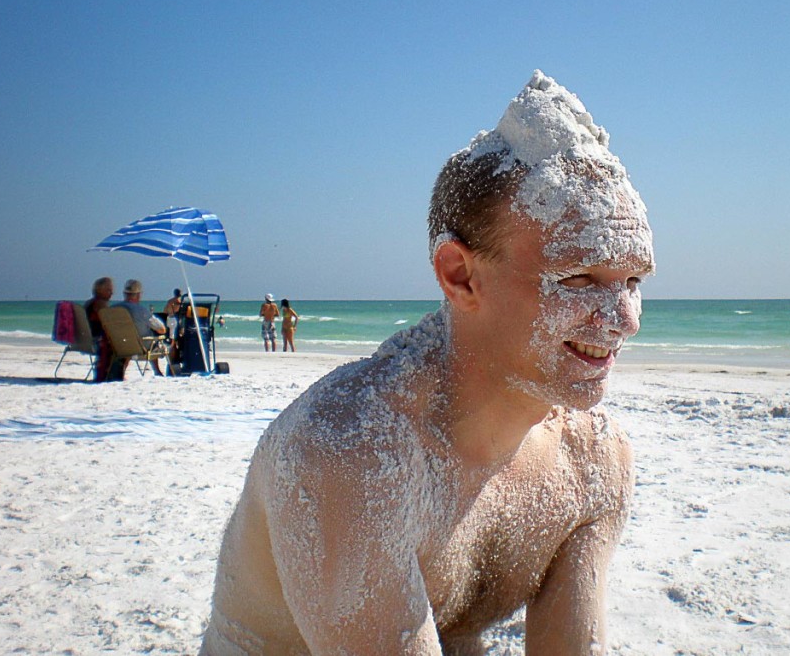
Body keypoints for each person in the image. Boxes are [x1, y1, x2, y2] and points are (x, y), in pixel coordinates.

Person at [201, 70, 655, 654]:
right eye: (579, 278)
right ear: (460, 275)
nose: (623, 317)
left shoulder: (595, 459)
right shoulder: (351, 451)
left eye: (634, 280)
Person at [107, 279, 168, 380]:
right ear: (139, 295)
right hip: (141, 347)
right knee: (155, 340)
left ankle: (122, 373)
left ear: (124, 294)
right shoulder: (141, 311)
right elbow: (162, 329)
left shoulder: (113, 309)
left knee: (129, 340)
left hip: (118, 346)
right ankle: (157, 371)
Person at [84, 276, 114, 383]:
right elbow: (110, 323)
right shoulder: (100, 304)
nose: (112, 293)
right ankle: (113, 374)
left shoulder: (89, 303)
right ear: (100, 290)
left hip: (88, 340)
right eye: (109, 290)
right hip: (97, 341)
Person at [163, 288, 183, 362]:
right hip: (180, 320)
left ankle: (173, 356)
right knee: (178, 338)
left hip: (172, 319)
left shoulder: (170, 301)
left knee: (172, 339)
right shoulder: (182, 301)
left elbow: (165, 311)